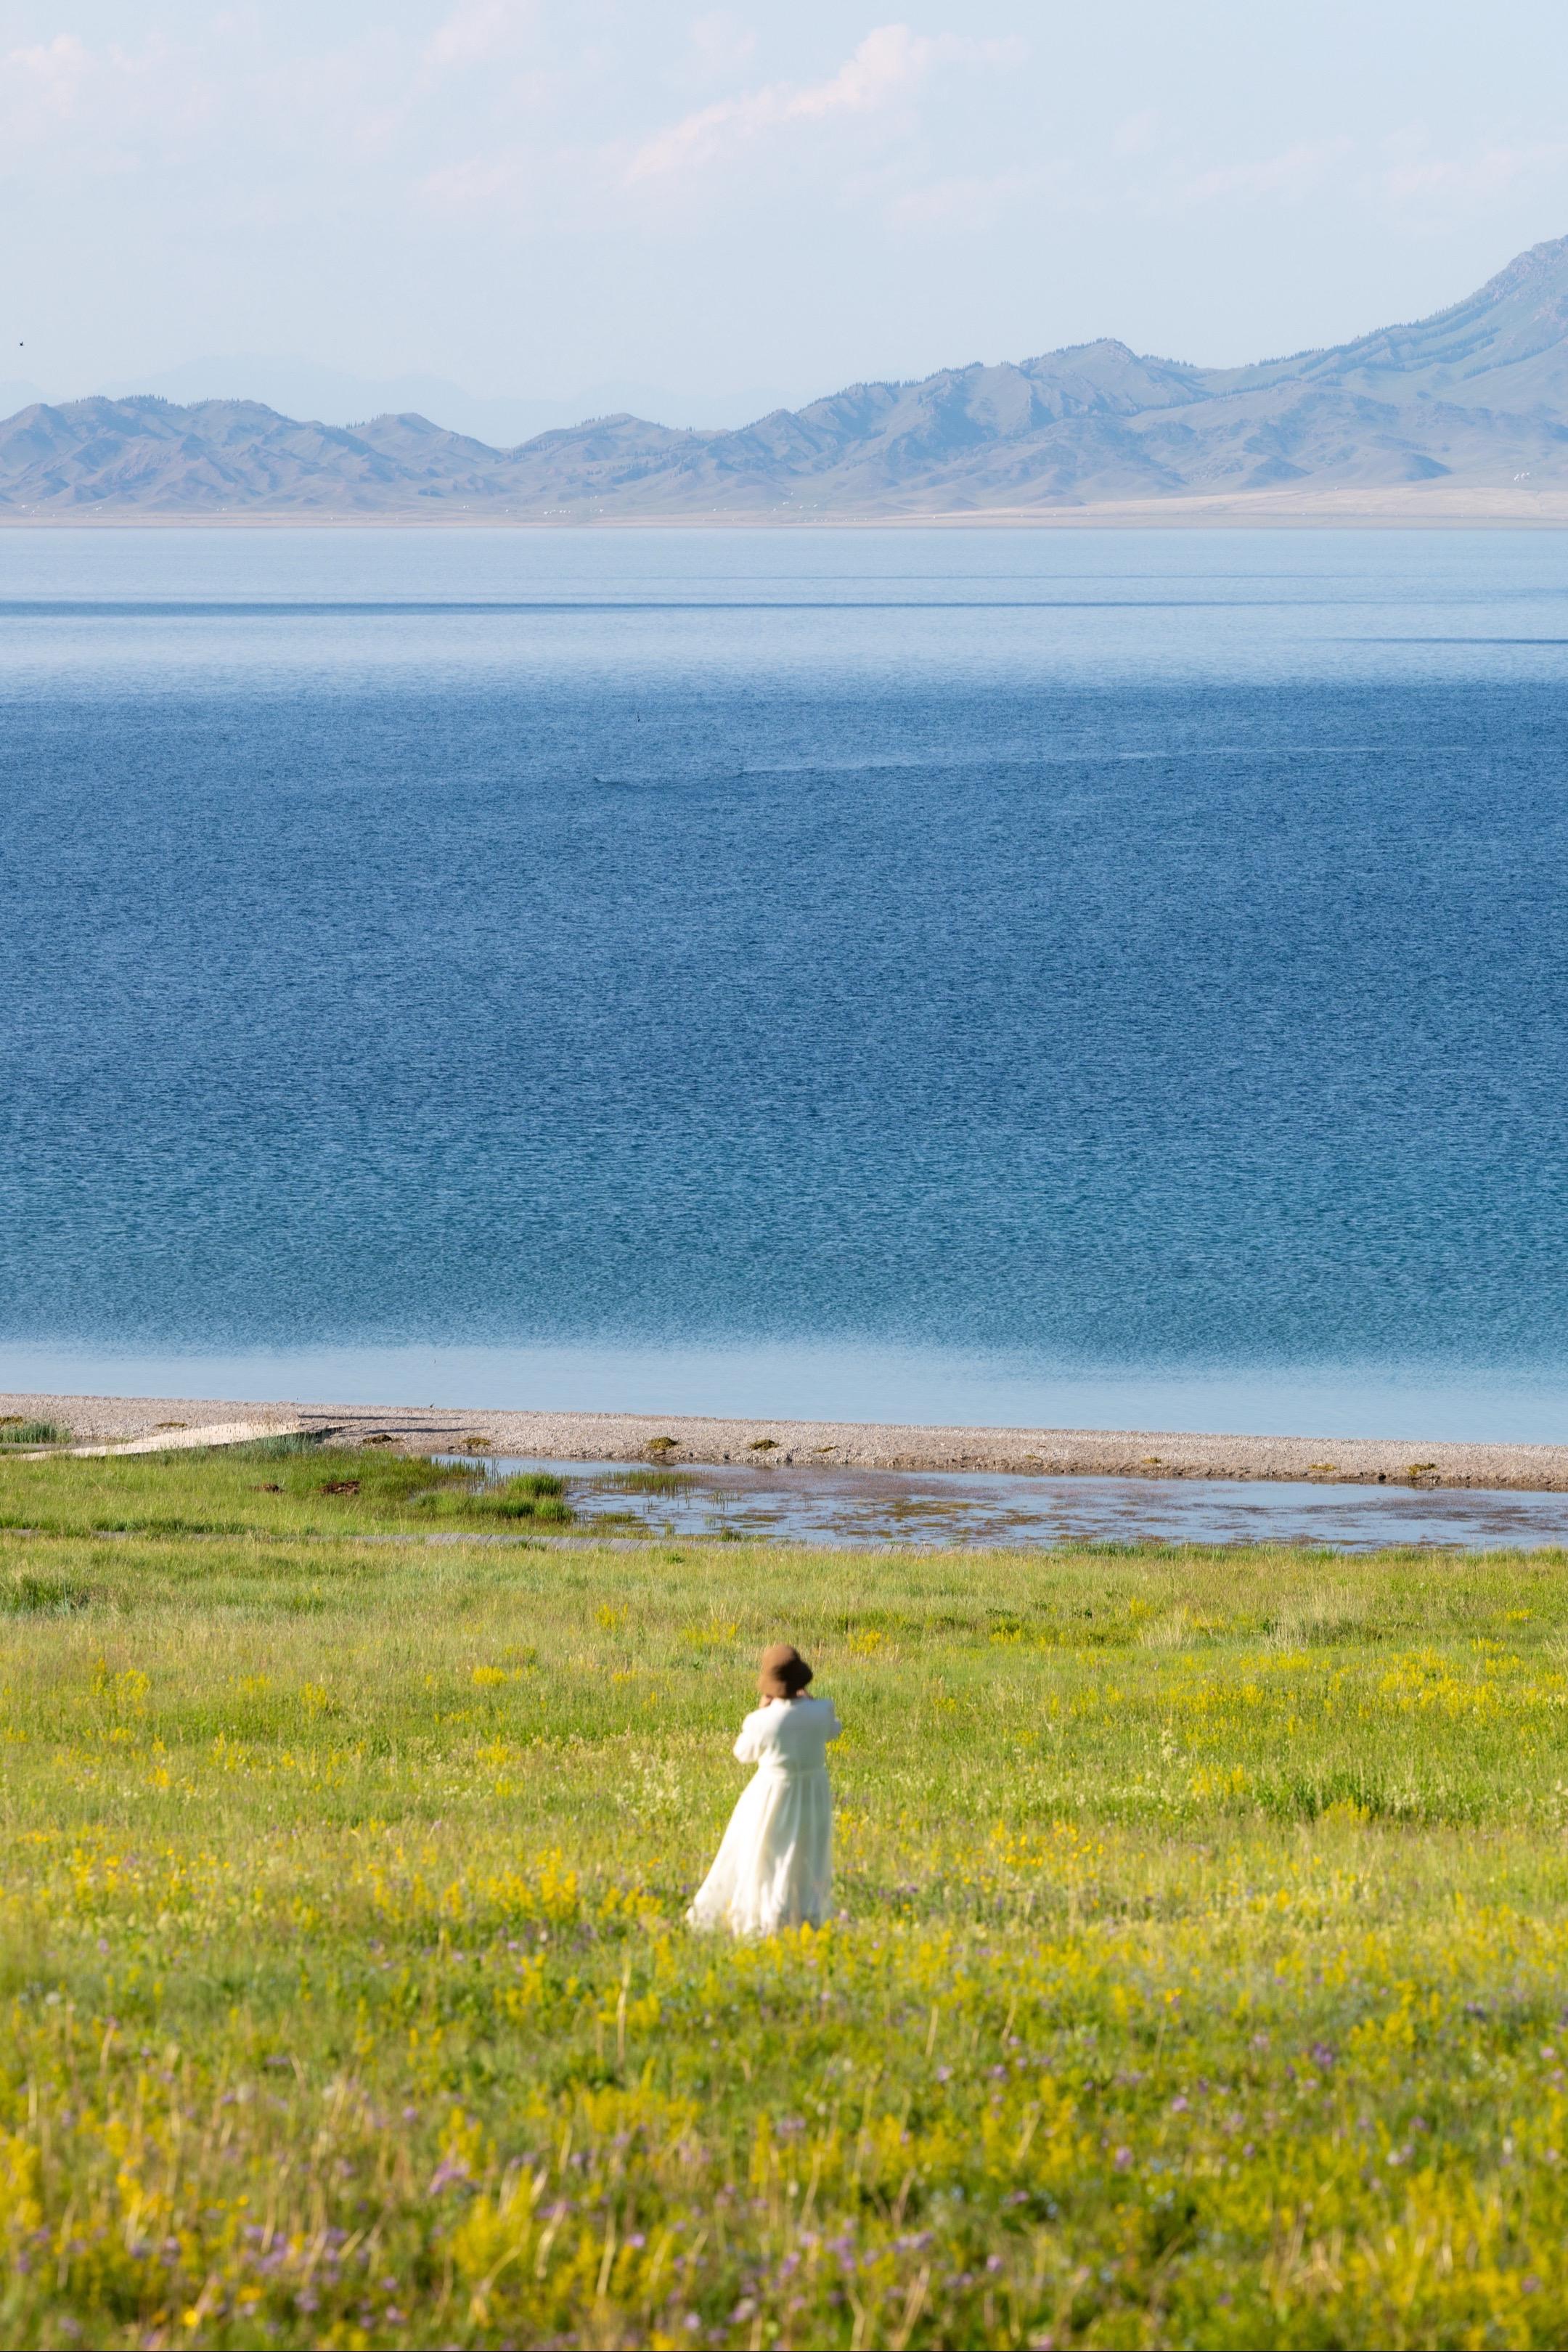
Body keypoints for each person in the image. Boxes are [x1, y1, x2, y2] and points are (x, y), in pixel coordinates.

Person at [687, 1643, 841, 1937]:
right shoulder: (823, 1710)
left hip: (773, 1792)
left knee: (764, 1850)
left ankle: (765, 1915)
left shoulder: (763, 1722)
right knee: (807, 1850)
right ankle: (803, 1912)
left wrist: (761, 1711)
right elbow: (833, 1730)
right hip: (814, 1791)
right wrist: (810, 1702)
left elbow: (743, 1753)